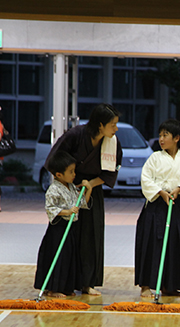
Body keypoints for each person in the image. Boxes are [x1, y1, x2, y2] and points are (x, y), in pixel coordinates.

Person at [44, 103, 123, 296]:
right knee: (66, 236)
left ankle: (88, 283)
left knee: (91, 236)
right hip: (69, 188)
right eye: (113, 125)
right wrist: (68, 182)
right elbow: (55, 160)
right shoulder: (75, 135)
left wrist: (89, 184)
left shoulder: (113, 142)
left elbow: (110, 172)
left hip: (92, 189)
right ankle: (59, 284)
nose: (116, 129)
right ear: (100, 125)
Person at [134, 119, 180, 297]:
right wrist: (160, 192)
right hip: (156, 204)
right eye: (160, 135)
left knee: (174, 242)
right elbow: (145, 178)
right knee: (151, 242)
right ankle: (146, 285)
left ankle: (169, 284)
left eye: (166, 135)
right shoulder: (155, 157)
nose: (161, 139)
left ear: (177, 138)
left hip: (175, 203)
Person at [34, 151, 93, 298]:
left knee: (69, 258)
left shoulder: (72, 187)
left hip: (70, 230)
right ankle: (53, 289)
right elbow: (50, 208)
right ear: (58, 174)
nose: (74, 174)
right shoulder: (53, 189)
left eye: (74, 171)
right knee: (58, 257)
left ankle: (66, 287)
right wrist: (67, 212)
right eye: (71, 172)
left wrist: (89, 189)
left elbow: (81, 203)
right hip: (57, 231)